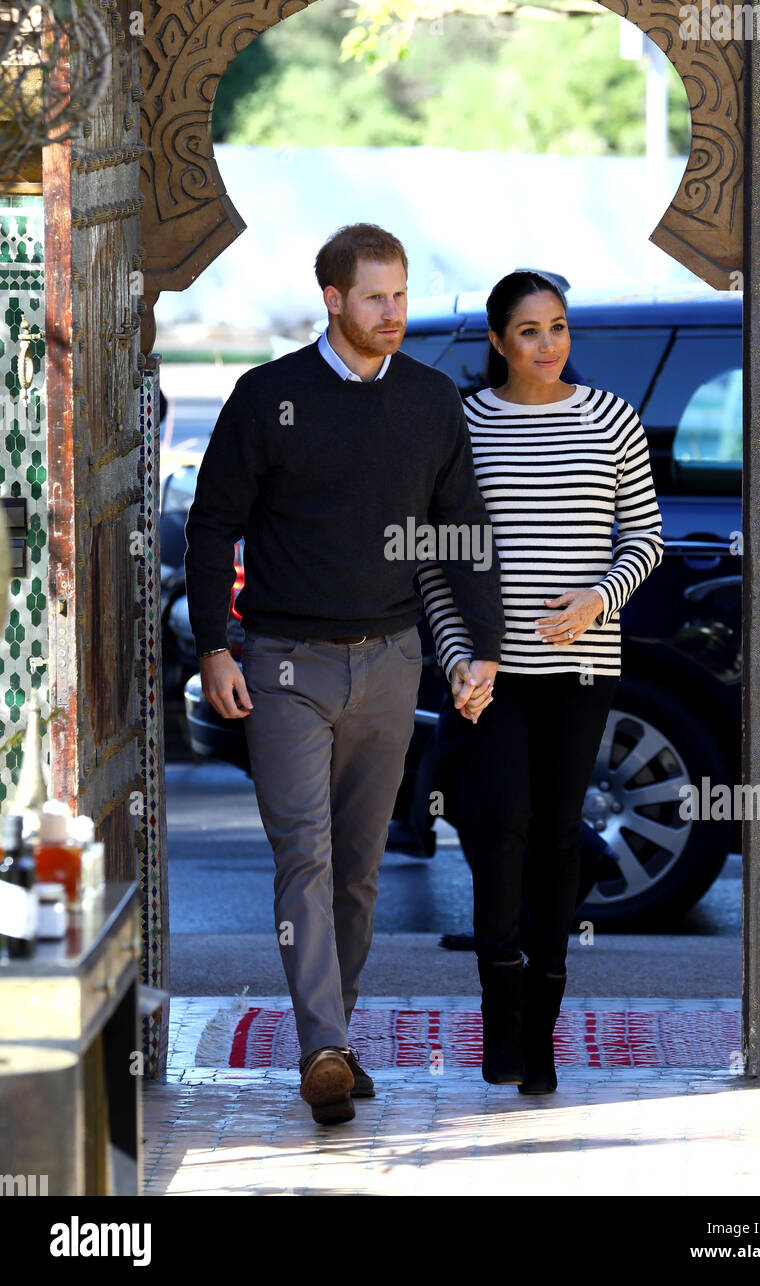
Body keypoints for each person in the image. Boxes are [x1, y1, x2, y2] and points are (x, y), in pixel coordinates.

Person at [183, 224, 504, 1124]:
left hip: (394, 661)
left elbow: (460, 534)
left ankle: (336, 1036)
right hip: (283, 663)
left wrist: (479, 649)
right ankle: (321, 1043)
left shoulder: (435, 400)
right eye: (374, 298)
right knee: (306, 855)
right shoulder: (267, 395)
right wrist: (215, 646)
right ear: (332, 299)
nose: (392, 313)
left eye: (400, 295)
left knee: (359, 868)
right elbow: (213, 527)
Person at [418, 270, 664, 1093]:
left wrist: (599, 597)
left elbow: (646, 540)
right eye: (528, 330)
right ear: (497, 342)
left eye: (557, 326)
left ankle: (543, 1030)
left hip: (582, 669)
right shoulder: (463, 426)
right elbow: (436, 562)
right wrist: (458, 658)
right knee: (499, 833)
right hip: (492, 675)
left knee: (558, 837)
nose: (548, 344)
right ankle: (501, 1022)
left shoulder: (611, 420)